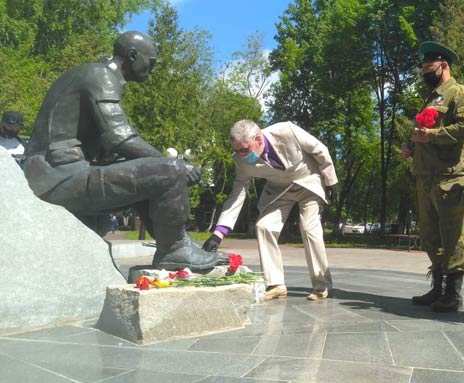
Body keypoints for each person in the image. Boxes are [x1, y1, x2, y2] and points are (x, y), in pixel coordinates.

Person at [22, 31, 220, 271]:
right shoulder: (100, 75)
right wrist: (176, 167)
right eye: (151, 62)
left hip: (58, 174)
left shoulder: (93, 75)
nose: (152, 68)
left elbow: (116, 144)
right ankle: (175, 250)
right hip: (58, 177)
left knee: (152, 174)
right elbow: (120, 137)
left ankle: (179, 245)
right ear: (133, 55)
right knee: (168, 172)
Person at [202, 119, 337, 301]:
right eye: (236, 150)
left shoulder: (286, 131)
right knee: (264, 226)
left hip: (308, 182)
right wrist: (219, 233)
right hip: (279, 191)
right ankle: (276, 284)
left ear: (258, 139)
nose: (240, 155)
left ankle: (321, 285)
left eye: (244, 150)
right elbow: (238, 192)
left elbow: (320, 150)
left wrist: (330, 182)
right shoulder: (241, 161)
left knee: (309, 228)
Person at [401, 41, 464, 313]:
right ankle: (437, 288)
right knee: (430, 236)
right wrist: (411, 145)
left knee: (453, 237)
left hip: (450, 176)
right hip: (425, 176)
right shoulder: (431, 99)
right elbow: (422, 131)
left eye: (427, 66)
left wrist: (432, 136)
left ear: (443, 65)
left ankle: (452, 294)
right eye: (422, 66)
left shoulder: (459, 93)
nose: (423, 71)